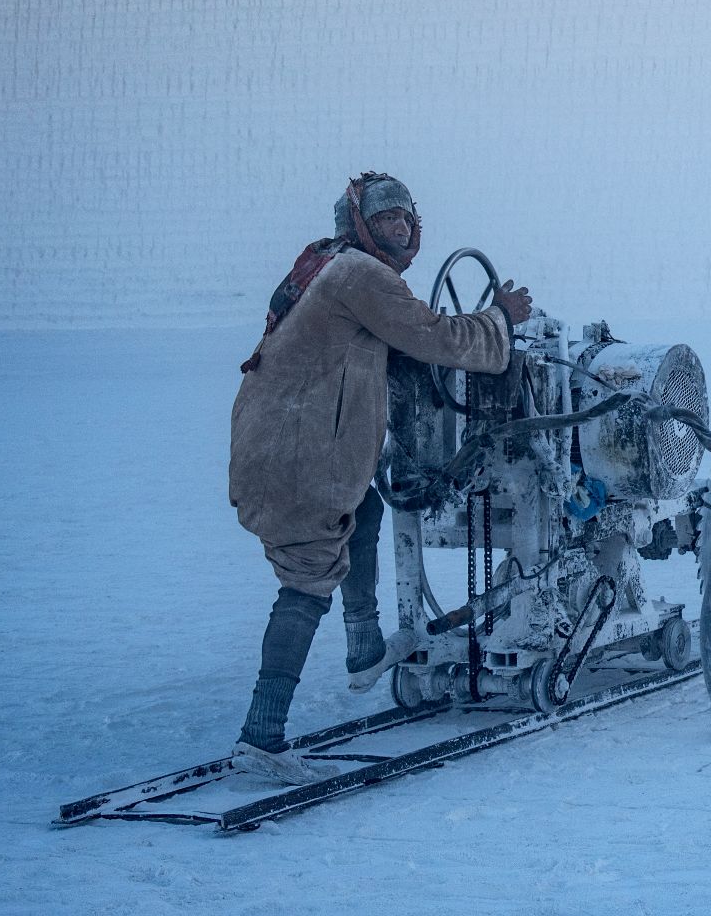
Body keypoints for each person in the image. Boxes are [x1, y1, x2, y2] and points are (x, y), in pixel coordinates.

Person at [226, 171, 533, 783]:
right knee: (307, 582)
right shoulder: (358, 275)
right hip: (294, 458)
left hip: (283, 447)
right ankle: (261, 739)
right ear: (359, 224)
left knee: (363, 508)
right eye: (387, 218)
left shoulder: (330, 268)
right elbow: (435, 337)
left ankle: (365, 649)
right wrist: (500, 318)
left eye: (406, 218)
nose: (400, 228)